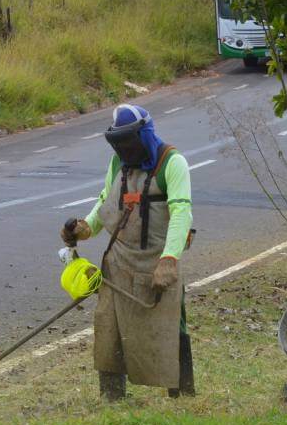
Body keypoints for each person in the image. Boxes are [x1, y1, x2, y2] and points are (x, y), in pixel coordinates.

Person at [61, 104, 195, 400]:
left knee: (171, 325)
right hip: (119, 260)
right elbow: (106, 202)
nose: (125, 150)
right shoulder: (117, 164)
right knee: (109, 324)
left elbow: (182, 213)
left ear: (145, 134)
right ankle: (112, 397)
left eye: (129, 141)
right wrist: (86, 227)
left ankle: (182, 393)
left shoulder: (173, 163)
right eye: (119, 143)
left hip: (158, 260)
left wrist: (169, 259)